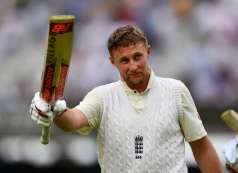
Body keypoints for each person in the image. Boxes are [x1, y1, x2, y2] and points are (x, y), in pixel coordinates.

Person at [30, 25, 223, 173]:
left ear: (148, 51)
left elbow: (202, 148)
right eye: (124, 60)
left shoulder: (175, 91)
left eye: (137, 56)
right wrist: (55, 109)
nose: (133, 66)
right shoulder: (102, 96)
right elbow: (71, 122)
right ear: (112, 62)